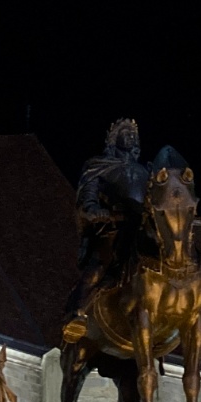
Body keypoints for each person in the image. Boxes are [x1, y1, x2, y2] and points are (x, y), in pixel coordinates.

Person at [62, 117, 149, 343]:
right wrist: (94, 209)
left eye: (133, 134)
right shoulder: (98, 165)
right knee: (98, 268)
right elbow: (88, 194)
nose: (130, 137)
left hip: (141, 229)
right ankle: (76, 313)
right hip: (115, 227)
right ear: (114, 139)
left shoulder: (145, 171)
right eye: (125, 133)